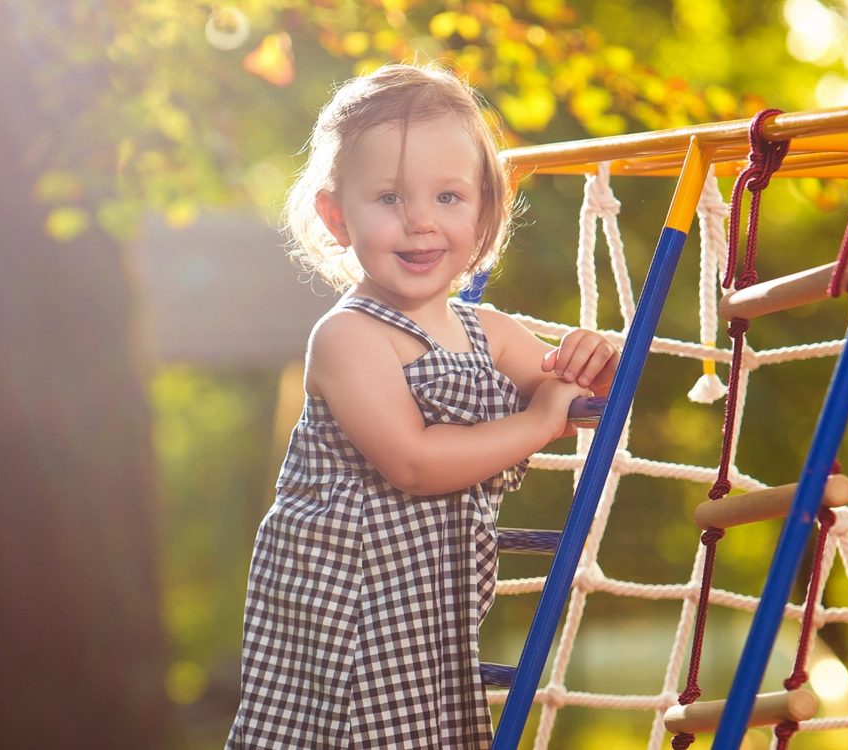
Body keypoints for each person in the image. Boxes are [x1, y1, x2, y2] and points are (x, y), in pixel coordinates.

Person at [227, 63, 619, 749]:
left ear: (484, 213)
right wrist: (535, 421)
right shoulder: (350, 337)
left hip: (429, 609)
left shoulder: (490, 333)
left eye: (446, 197)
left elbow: (588, 402)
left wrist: (593, 364)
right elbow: (412, 462)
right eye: (387, 198)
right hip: (344, 606)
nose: (419, 223)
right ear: (336, 216)